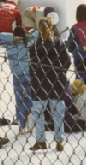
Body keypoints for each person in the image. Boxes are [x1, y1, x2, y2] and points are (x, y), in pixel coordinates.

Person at [28, 17, 72, 151]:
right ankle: (59, 141)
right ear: (51, 27)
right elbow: (67, 62)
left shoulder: (34, 46)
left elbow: (31, 67)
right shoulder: (59, 44)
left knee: (39, 113)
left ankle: (41, 140)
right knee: (58, 113)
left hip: (40, 84)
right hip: (57, 83)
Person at [0, 25, 34, 136]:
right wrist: (25, 36)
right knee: (30, 97)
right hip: (28, 73)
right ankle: (30, 120)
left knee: (19, 99)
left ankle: (21, 123)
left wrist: (13, 38)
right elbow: (35, 32)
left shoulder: (9, 44)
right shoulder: (28, 43)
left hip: (17, 75)